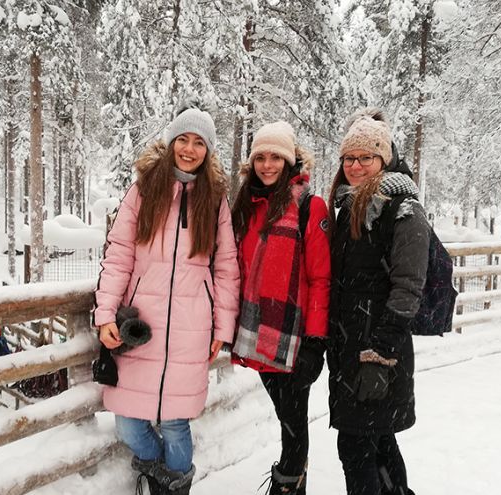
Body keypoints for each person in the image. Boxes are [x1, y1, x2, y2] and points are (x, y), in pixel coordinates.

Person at [94, 107, 240, 495]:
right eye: (183, 140)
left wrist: (221, 329)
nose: (190, 150)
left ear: (208, 151)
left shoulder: (215, 200)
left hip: (192, 328)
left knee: (176, 423)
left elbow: (226, 267)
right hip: (143, 325)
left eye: (199, 143)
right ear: (171, 141)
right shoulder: (144, 189)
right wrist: (105, 311)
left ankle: (173, 489)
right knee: (128, 421)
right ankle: (159, 474)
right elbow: (119, 253)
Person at [326, 108, 428, 495]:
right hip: (350, 348)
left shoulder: (403, 210)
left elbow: (408, 286)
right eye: (349, 158)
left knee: (356, 446)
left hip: (378, 352)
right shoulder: (349, 206)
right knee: (379, 442)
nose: (355, 165)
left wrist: (380, 353)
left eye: (365, 158)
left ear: (383, 159)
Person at [230, 121, 330, 495]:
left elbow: (321, 279)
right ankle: (292, 481)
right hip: (257, 333)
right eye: (261, 157)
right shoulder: (247, 205)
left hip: (293, 336)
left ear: (289, 162)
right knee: (287, 416)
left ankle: (288, 484)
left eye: (276, 157)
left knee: (292, 421)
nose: (267, 165)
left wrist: (316, 341)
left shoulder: (309, 206)